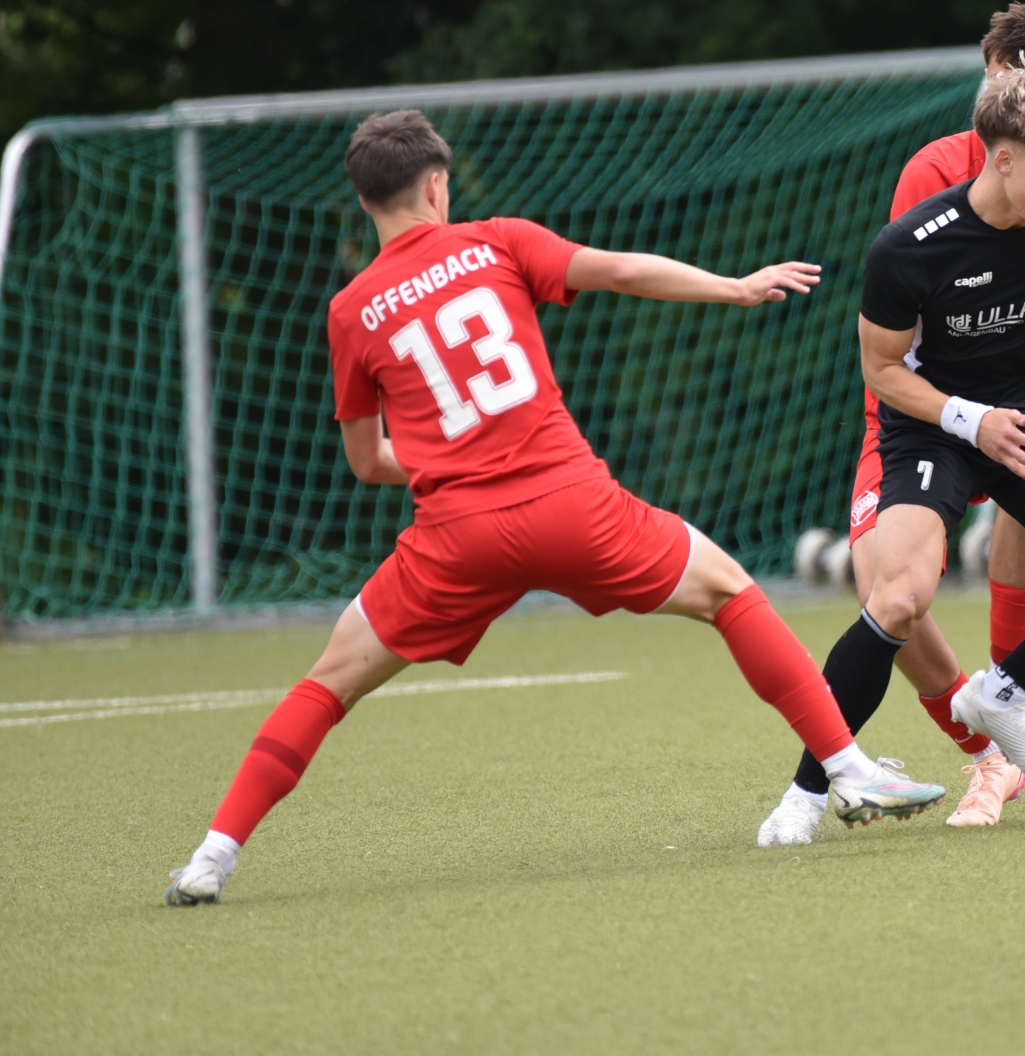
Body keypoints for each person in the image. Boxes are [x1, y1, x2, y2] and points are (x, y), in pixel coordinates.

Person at [164, 111, 944, 906]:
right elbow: (624, 272)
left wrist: (447, 463)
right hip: (573, 507)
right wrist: (733, 287)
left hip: (457, 539)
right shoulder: (495, 242)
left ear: (365, 202)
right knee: (728, 591)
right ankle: (847, 769)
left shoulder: (351, 311)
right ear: (437, 185)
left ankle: (210, 859)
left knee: (327, 685)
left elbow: (367, 462)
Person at [759, 0, 1025, 845]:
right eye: (1007, 78)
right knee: (891, 597)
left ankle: (1006, 704)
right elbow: (915, 327)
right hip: (924, 411)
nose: (1018, 96)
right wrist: (975, 414)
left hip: (1021, 396)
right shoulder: (934, 175)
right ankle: (978, 751)